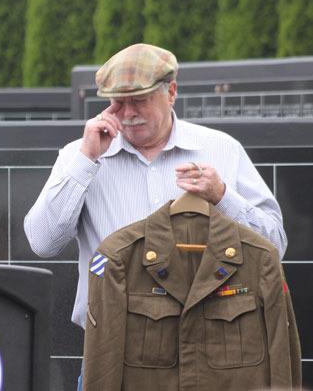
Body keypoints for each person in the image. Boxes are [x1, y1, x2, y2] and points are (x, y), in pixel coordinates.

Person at [23, 43, 287, 390]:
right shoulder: (82, 154)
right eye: (117, 102)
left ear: (171, 92)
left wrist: (222, 196)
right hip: (113, 351)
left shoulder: (221, 150)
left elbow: (274, 246)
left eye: (140, 99)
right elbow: (42, 243)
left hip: (212, 354)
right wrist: (86, 161)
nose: (128, 113)